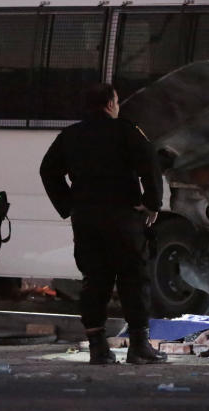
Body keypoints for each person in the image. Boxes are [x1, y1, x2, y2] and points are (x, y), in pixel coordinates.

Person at [40, 83, 167, 365]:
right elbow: (150, 164)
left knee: (95, 280)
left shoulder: (71, 135)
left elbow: (47, 170)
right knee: (133, 279)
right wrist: (152, 203)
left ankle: (98, 348)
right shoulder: (126, 131)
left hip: (86, 220)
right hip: (123, 217)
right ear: (110, 104)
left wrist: (68, 205)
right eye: (118, 101)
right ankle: (139, 347)